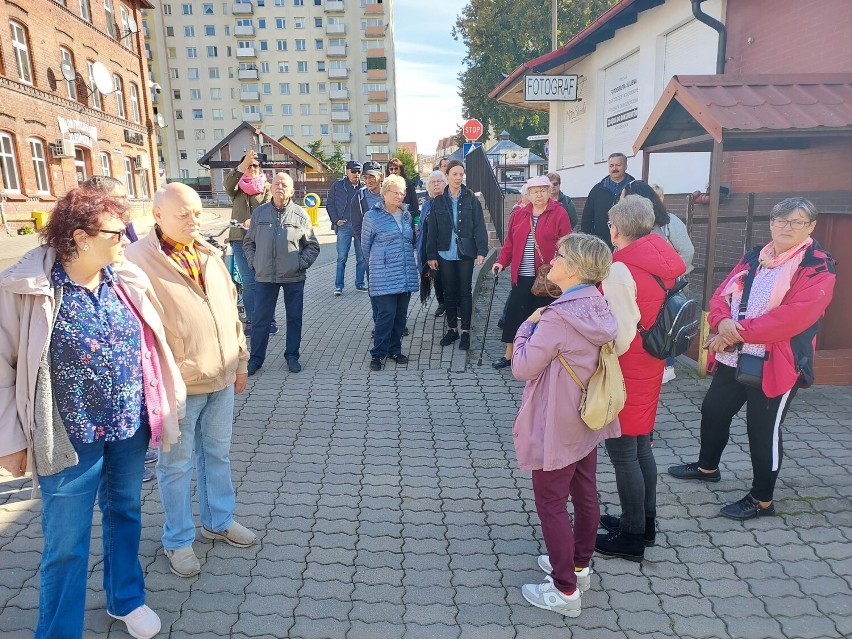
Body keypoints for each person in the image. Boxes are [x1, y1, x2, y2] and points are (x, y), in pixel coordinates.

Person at [0, 188, 185, 639]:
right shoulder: (25, 289)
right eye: (116, 231)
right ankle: (60, 631)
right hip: (67, 433)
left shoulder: (123, 279)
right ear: (81, 237)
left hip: (128, 425)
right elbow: (2, 370)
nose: (127, 237)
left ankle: (126, 597)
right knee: (66, 542)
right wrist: (10, 442)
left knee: (125, 512)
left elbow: (152, 344)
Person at [669, 198, 835, 521]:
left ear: (811, 227)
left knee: (763, 430)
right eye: (781, 221)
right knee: (713, 411)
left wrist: (735, 331)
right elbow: (721, 294)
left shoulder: (818, 265)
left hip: (778, 361)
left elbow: (793, 318)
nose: (787, 228)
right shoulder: (755, 256)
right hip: (735, 355)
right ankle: (707, 467)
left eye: (797, 222)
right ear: (771, 223)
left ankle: (762, 500)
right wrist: (721, 323)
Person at [124, 182, 256, 580]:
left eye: (197, 212)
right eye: (183, 213)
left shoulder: (209, 253)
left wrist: (242, 361)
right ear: (157, 214)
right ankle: (178, 539)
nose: (193, 219)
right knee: (175, 467)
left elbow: (230, 311)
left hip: (221, 377)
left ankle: (218, 520)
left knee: (217, 455)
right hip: (177, 387)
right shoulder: (136, 260)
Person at [510, 233, 620, 618]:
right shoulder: (598, 303)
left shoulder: (557, 316)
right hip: (587, 416)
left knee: (551, 502)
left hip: (557, 420)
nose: (551, 260)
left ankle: (565, 591)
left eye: (558, 255)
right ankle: (579, 566)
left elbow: (523, 367)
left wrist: (526, 325)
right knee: (585, 492)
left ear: (573, 268)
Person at [595, 195, 685, 562]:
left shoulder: (620, 269)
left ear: (616, 228)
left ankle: (631, 536)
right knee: (641, 446)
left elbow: (620, 333)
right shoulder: (662, 255)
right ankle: (644, 522)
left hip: (627, 365)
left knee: (623, 453)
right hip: (652, 361)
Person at [82, 176, 160, 481]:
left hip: (128, 378)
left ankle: (134, 457)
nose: (127, 205)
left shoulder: (122, 229)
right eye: (120, 198)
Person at [243, 172, 320, 375]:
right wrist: (254, 263)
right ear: (270, 188)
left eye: (284, 184)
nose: (280, 187)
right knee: (260, 319)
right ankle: (256, 360)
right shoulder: (259, 214)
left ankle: (292, 356)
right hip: (264, 277)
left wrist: (299, 263)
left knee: (294, 318)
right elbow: (248, 242)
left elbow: (312, 246)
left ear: (291, 190)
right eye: (276, 183)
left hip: (293, 277)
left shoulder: (300, 214)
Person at [491, 175, 572, 368]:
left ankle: (540, 358)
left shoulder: (559, 213)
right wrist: (501, 262)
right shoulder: (519, 214)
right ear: (527, 194)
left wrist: (560, 265)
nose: (539, 195)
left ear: (549, 192)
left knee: (543, 317)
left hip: (546, 278)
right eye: (535, 192)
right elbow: (509, 243)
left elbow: (567, 244)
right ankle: (510, 355)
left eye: (543, 190)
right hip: (521, 275)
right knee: (514, 314)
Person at [621, 180, 695, 383]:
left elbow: (687, 251)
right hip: (641, 287)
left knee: (665, 323)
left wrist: (673, 273)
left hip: (667, 285)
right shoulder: (631, 226)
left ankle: (668, 364)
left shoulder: (668, 222)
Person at [426, 159, 489, 351]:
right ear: (447, 176)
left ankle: (466, 333)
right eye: (455, 174)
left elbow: (479, 225)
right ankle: (452, 329)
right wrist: (431, 255)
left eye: (461, 174)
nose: (458, 177)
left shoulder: (471, 198)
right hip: (444, 253)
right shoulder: (438, 201)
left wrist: (481, 250)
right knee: (449, 293)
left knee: (465, 293)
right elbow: (432, 231)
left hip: (465, 253)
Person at [361, 174, 420, 371]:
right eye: (395, 192)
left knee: (400, 316)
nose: (399, 196)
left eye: (402, 192)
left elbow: (410, 242)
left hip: (405, 273)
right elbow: (365, 247)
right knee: (386, 314)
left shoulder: (406, 215)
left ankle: (395, 349)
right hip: (383, 274)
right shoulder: (371, 216)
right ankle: (378, 354)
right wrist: (380, 264)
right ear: (385, 193)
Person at [224, 150, 274, 336]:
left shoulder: (267, 188)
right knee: (249, 281)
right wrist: (241, 165)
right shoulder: (236, 187)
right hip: (239, 239)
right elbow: (228, 184)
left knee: (265, 279)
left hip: (262, 240)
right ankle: (253, 321)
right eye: (248, 165)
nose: (251, 168)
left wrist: (254, 220)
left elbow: (270, 210)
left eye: (255, 165)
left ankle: (269, 319)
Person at [580, 152, 635, 248]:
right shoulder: (597, 190)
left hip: (628, 243)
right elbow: (587, 217)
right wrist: (586, 240)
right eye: (611, 165)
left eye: (618, 165)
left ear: (626, 166)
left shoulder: (635, 188)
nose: (614, 169)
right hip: (601, 244)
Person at [327, 160, 365, 296]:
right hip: (344, 225)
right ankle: (339, 286)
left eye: (358, 172)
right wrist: (336, 220)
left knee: (362, 257)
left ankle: (360, 283)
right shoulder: (338, 185)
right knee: (342, 257)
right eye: (353, 171)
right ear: (347, 172)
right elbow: (329, 204)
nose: (356, 174)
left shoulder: (363, 188)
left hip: (360, 226)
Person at [417, 170, 449, 318]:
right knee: (436, 276)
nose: (436, 184)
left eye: (439, 181)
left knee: (450, 277)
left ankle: (454, 304)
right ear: (429, 186)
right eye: (433, 182)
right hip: (432, 247)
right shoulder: (427, 205)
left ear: (445, 184)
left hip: (448, 247)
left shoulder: (450, 201)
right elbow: (423, 228)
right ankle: (441, 302)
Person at [350, 161, 385, 253]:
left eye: (372, 177)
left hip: (389, 244)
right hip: (371, 246)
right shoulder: (359, 197)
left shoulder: (389, 194)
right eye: (365, 178)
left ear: (381, 177)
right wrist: (365, 242)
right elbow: (356, 224)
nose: (368, 181)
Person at [386, 157, 421, 222]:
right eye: (391, 169)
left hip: (406, 218)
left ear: (400, 170)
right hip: (390, 219)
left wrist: (416, 221)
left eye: (396, 168)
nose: (393, 171)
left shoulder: (409, 184)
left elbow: (415, 205)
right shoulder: (386, 185)